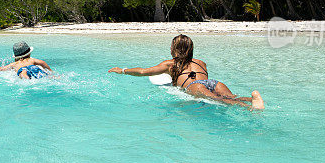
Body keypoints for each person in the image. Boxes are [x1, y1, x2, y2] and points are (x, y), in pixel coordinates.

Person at [108, 34, 264, 110]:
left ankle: (248, 108)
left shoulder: (170, 64)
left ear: (174, 50)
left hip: (195, 86)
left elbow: (143, 72)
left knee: (220, 100)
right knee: (229, 97)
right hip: (213, 82)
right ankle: (252, 99)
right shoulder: (201, 62)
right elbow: (200, 77)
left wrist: (122, 70)